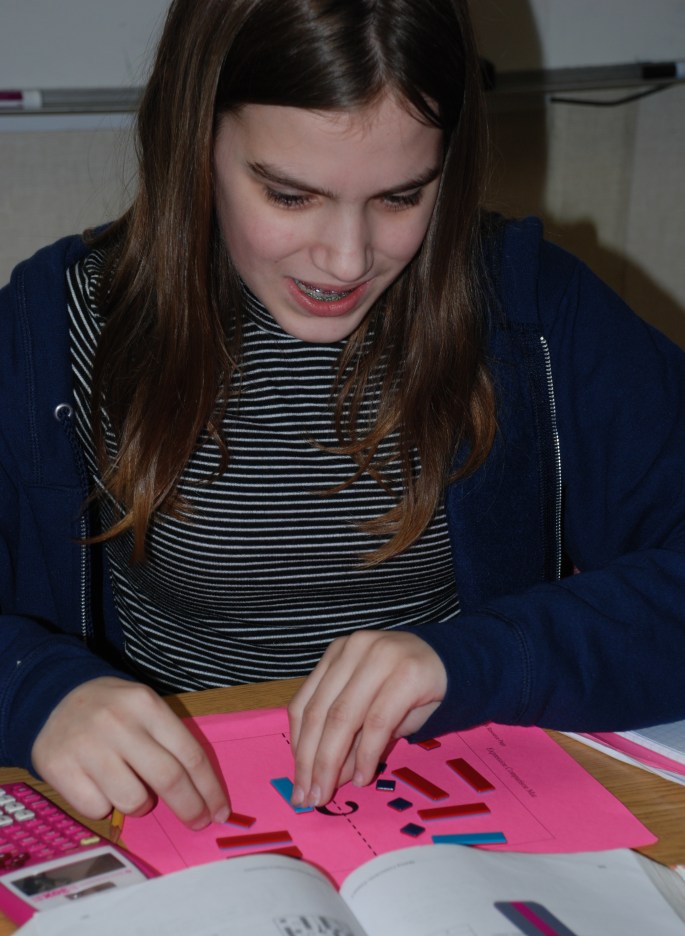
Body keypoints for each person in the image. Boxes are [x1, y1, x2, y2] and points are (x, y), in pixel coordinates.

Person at [1, 0, 684, 830]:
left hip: (459, 811)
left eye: (401, 196)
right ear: (194, 141)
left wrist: (481, 658)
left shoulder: (529, 310)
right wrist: (31, 689)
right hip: (165, 820)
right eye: (290, 196)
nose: (347, 258)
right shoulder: (54, 329)